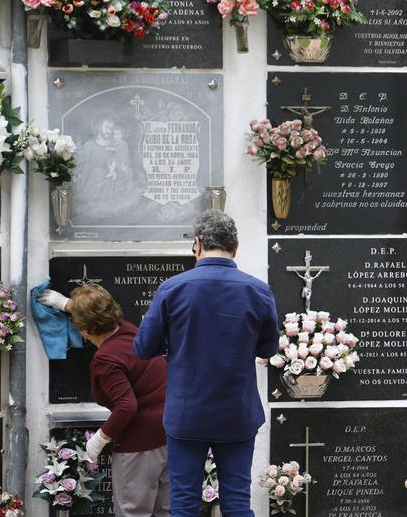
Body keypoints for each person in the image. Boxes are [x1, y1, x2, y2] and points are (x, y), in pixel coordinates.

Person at [134, 210, 280, 517]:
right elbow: (268, 348)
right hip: (237, 412)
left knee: (184, 503)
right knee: (238, 502)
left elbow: (144, 348)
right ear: (235, 248)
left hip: (188, 413)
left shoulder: (172, 288)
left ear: (197, 244)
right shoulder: (257, 290)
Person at [39, 284, 170, 516]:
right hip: (169, 437)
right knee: (167, 511)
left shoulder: (106, 359)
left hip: (139, 445)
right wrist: (68, 305)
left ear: (85, 329)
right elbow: (99, 313)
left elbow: (126, 405)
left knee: (133, 512)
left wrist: (99, 440)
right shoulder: (130, 331)